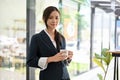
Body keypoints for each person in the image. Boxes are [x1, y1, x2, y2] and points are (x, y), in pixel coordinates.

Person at [27, 6, 73, 80]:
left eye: (56, 18)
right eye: (50, 17)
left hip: (65, 77)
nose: (54, 21)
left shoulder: (62, 38)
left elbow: (63, 62)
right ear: (44, 18)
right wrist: (51, 59)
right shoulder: (37, 38)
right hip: (48, 77)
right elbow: (30, 61)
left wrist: (68, 58)